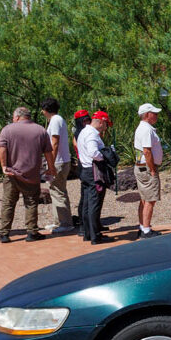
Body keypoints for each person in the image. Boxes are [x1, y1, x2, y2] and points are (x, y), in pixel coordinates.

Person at [0, 106, 52, 243]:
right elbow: (48, 152)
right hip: (32, 174)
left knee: (8, 203)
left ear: (16, 117)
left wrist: (4, 166)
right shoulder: (40, 130)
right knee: (31, 203)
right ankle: (32, 232)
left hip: (11, 174)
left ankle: (4, 233)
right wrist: (51, 168)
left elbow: (2, 148)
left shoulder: (7, 130)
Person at [76, 109, 113, 244]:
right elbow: (93, 152)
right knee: (94, 203)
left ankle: (88, 233)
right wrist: (105, 157)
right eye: (106, 124)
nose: (106, 127)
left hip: (85, 170)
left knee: (87, 203)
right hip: (93, 171)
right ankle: (95, 235)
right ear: (101, 121)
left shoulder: (83, 132)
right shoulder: (92, 134)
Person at [41, 98, 75, 234]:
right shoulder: (58, 120)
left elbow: (54, 143)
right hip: (61, 160)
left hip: (58, 161)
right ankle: (58, 221)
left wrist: (51, 164)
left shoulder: (55, 121)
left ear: (46, 110)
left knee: (58, 192)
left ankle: (66, 223)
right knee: (55, 191)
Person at [132, 103, 164, 238]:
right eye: (153, 113)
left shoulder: (145, 128)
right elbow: (147, 151)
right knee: (150, 199)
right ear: (146, 115)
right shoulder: (146, 129)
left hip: (142, 167)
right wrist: (152, 170)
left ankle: (143, 226)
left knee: (144, 199)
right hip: (147, 168)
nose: (156, 115)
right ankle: (146, 230)